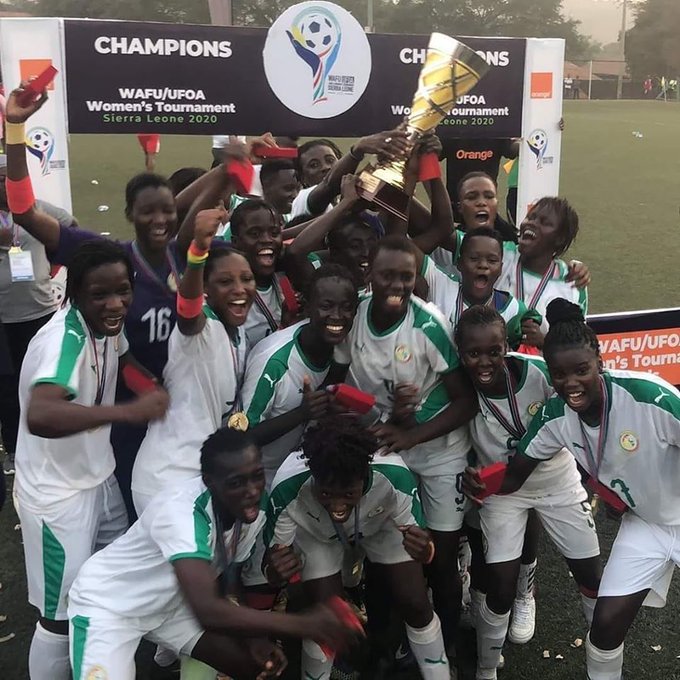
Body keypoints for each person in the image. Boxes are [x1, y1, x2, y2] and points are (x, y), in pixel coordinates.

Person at [472, 298, 680, 680]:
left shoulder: (650, 397)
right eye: (560, 374)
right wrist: (477, 483)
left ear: (599, 363)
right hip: (646, 525)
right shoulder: (555, 417)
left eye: (581, 370)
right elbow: (517, 474)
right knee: (604, 627)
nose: (571, 384)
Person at [68, 427, 357, 680]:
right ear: (208, 481)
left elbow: (230, 578)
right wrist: (305, 625)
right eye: (236, 483)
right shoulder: (181, 513)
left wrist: (254, 638)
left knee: (254, 667)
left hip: (174, 607)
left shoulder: (253, 514)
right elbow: (207, 610)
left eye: (257, 477)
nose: (252, 491)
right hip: (111, 607)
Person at [12, 240, 168, 680]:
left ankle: (102, 660)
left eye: (123, 291)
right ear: (75, 293)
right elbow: (41, 413)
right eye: (101, 294)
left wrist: (148, 386)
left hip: (98, 479)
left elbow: (125, 359)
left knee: (110, 579)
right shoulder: (65, 340)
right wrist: (125, 412)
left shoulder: (106, 328)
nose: (115, 304)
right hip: (58, 498)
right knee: (58, 616)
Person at [331, 234, 478, 655]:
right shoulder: (355, 315)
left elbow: (465, 400)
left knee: (441, 558)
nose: (397, 285)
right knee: (386, 552)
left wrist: (410, 432)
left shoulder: (429, 324)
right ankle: (385, 643)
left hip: (438, 453)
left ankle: (446, 648)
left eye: (406, 277)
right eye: (387, 276)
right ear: (369, 275)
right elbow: (338, 382)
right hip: (388, 448)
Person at [456, 306, 601, 680]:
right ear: (460, 354)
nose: (485, 361)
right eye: (474, 353)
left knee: (591, 577)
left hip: (556, 481)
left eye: (495, 351)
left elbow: (586, 390)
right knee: (498, 587)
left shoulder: (539, 373)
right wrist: (467, 473)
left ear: (508, 346)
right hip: (503, 490)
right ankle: (486, 668)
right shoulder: (459, 385)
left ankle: (601, 663)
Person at [265, 415, 451, 680]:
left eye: (349, 494)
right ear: (314, 477)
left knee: (415, 602)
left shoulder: (394, 475)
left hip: (382, 526)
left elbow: (424, 544)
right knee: (328, 619)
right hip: (317, 536)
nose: (338, 506)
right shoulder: (287, 488)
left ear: (366, 474)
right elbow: (272, 565)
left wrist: (426, 551)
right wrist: (276, 572)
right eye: (327, 493)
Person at [131, 209, 255, 515]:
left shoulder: (238, 335)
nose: (240, 289)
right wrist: (198, 249)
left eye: (246, 279)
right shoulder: (200, 330)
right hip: (168, 477)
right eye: (225, 281)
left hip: (200, 475)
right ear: (207, 292)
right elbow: (188, 311)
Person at [242, 264, 359, 487]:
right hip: (260, 479)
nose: (337, 316)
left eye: (346, 308)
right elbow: (243, 437)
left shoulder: (342, 348)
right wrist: (302, 413)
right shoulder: (274, 361)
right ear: (307, 305)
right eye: (326, 306)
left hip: (302, 474)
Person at [0, 153, 78, 474]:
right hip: (2, 319)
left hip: (40, 312)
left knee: (42, 382)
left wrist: (52, 265)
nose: (7, 187)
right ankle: (14, 451)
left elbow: (71, 231)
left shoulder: (38, 210)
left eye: (11, 180)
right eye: (1, 181)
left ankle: (50, 445)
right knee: (6, 386)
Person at [496, 196, 587, 352]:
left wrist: (544, 341)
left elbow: (577, 346)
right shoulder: (500, 255)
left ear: (559, 239)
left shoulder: (571, 282)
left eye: (545, 223)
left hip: (539, 372)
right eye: (531, 217)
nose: (532, 223)